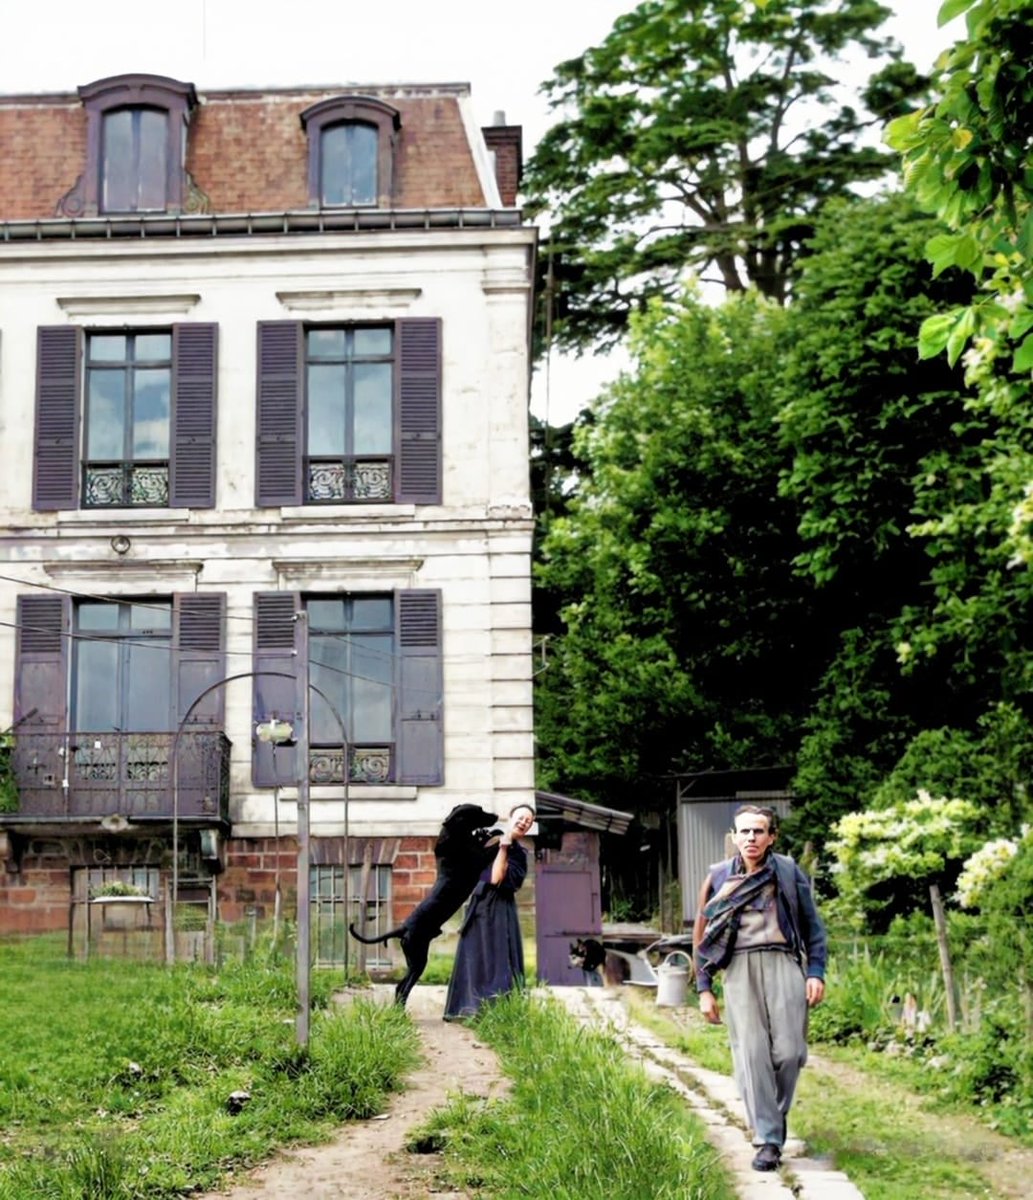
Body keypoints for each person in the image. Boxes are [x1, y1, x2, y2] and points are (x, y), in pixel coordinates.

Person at [693, 804, 827, 1173]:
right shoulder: (719, 878)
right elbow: (702, 937)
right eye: (744, 832)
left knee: (790, 1052)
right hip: (738, 969)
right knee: (752, 1054)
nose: (751, 838)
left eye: (759, 831)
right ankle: (768, 1138)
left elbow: (813, 928)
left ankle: (774, 1115)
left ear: (772, 837)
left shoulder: (786, 872)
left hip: (783, 963)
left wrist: (816, 971)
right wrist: (704, 988)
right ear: (734, 836)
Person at [443, 803, 535, 1020]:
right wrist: (499, 845)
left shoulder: (519, 854)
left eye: (528, 822)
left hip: (501, 908)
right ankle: (466, 1009)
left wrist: (505, 847)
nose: (523, 822)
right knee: (474, 954)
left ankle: (497, 1011)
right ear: (511, 818)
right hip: (480, 904)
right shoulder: (488, 841)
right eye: (521, 818)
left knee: (499, 956)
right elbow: (481, 874)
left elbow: (497, 880)